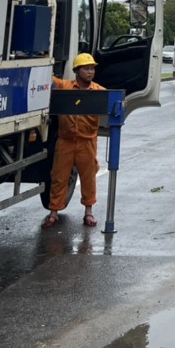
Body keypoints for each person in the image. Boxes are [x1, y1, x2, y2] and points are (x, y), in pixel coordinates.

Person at [43, 52, 104, 229]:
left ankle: (88, 213)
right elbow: (50, 80)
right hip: (66, 141)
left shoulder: (99, 92)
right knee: (59, 177)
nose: (90, 72)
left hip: (87, 142)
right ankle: (53, 213)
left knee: (88, 178)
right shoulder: (65, 87)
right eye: (86, 69)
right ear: (77, 71)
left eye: (92, 68)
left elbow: (112, 105)